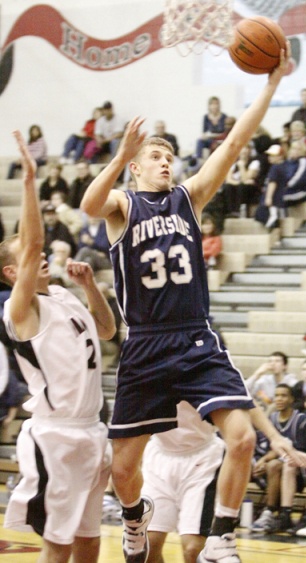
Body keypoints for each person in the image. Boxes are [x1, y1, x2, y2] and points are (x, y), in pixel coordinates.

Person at [81, 45, 300, 563]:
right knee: (122, 470)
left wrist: (271, 84)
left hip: (196, 336)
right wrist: (117, 156)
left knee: (243, 438)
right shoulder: (122, 206)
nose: (166, 162)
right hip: (146, 345)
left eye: (169, 156)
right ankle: (135, 520)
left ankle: (221, 537)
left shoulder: (188, 198)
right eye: (156, 156)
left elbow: (235, 142)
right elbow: (90, 203)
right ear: (136, 167)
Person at [0, 130, 116, 563]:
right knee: (58, 543)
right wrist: (31, 181)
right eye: (29, 256)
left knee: (88, 538)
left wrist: (89, 286)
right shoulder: (19, 311)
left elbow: (106, 332)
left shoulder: (63, 295)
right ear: (13, 272)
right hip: (56, 435)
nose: (42, 253)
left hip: (91, 429)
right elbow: (30, 244)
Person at [142, 401, 225, 563]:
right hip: (158, 457)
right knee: (145, 548)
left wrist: (273, 436)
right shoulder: (142, 376)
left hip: (203, 458)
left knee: (193, 548)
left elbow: (245, 406)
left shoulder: (213, 375)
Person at [250, 384, 306, 533]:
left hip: (299, 470)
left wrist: (270, 460)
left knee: (274, 465)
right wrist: (263, 461)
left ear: (292, 399)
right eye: (277, 395)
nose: (279, 399)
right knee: (266, 465)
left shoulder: (301, 420)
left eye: (283, 395)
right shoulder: (272, 418)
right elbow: (272, 449)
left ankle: (269, 511)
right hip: (280, 470)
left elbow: (300, 450)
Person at [271, 384, 306, 536]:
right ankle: (285, 513)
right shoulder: (305, 423)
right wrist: (296, 457)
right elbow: (299, 449)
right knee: (289, 465)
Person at [254, 144, 287, 229]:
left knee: (261, 214)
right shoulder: (282, 167)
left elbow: (272, 183)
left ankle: (273, 220)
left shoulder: (275, 168)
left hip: (274, 197)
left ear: (280, 156)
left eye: (273, 156)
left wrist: (268, 197)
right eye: (270, 155)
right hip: (277, 197)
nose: (270, 157)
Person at [195, 96, 227, 160]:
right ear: (209, 106)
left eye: (216, 104)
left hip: (220, 139)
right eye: (212, 104)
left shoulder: (224, 117)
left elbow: (225, 133)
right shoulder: (206, 117)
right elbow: (204, 132)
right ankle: (198, 159)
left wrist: (213, 135)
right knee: (199, 141)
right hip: (209, 139)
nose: (214, 106)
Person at [282, 140, 306, 208]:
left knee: (280, 198)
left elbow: (300, 179)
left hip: (302, 191)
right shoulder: (287, 162)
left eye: (298, 149)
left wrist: (287, 186)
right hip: (288, 190)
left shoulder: (304, 161)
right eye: (293, 148)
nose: (295, 151)